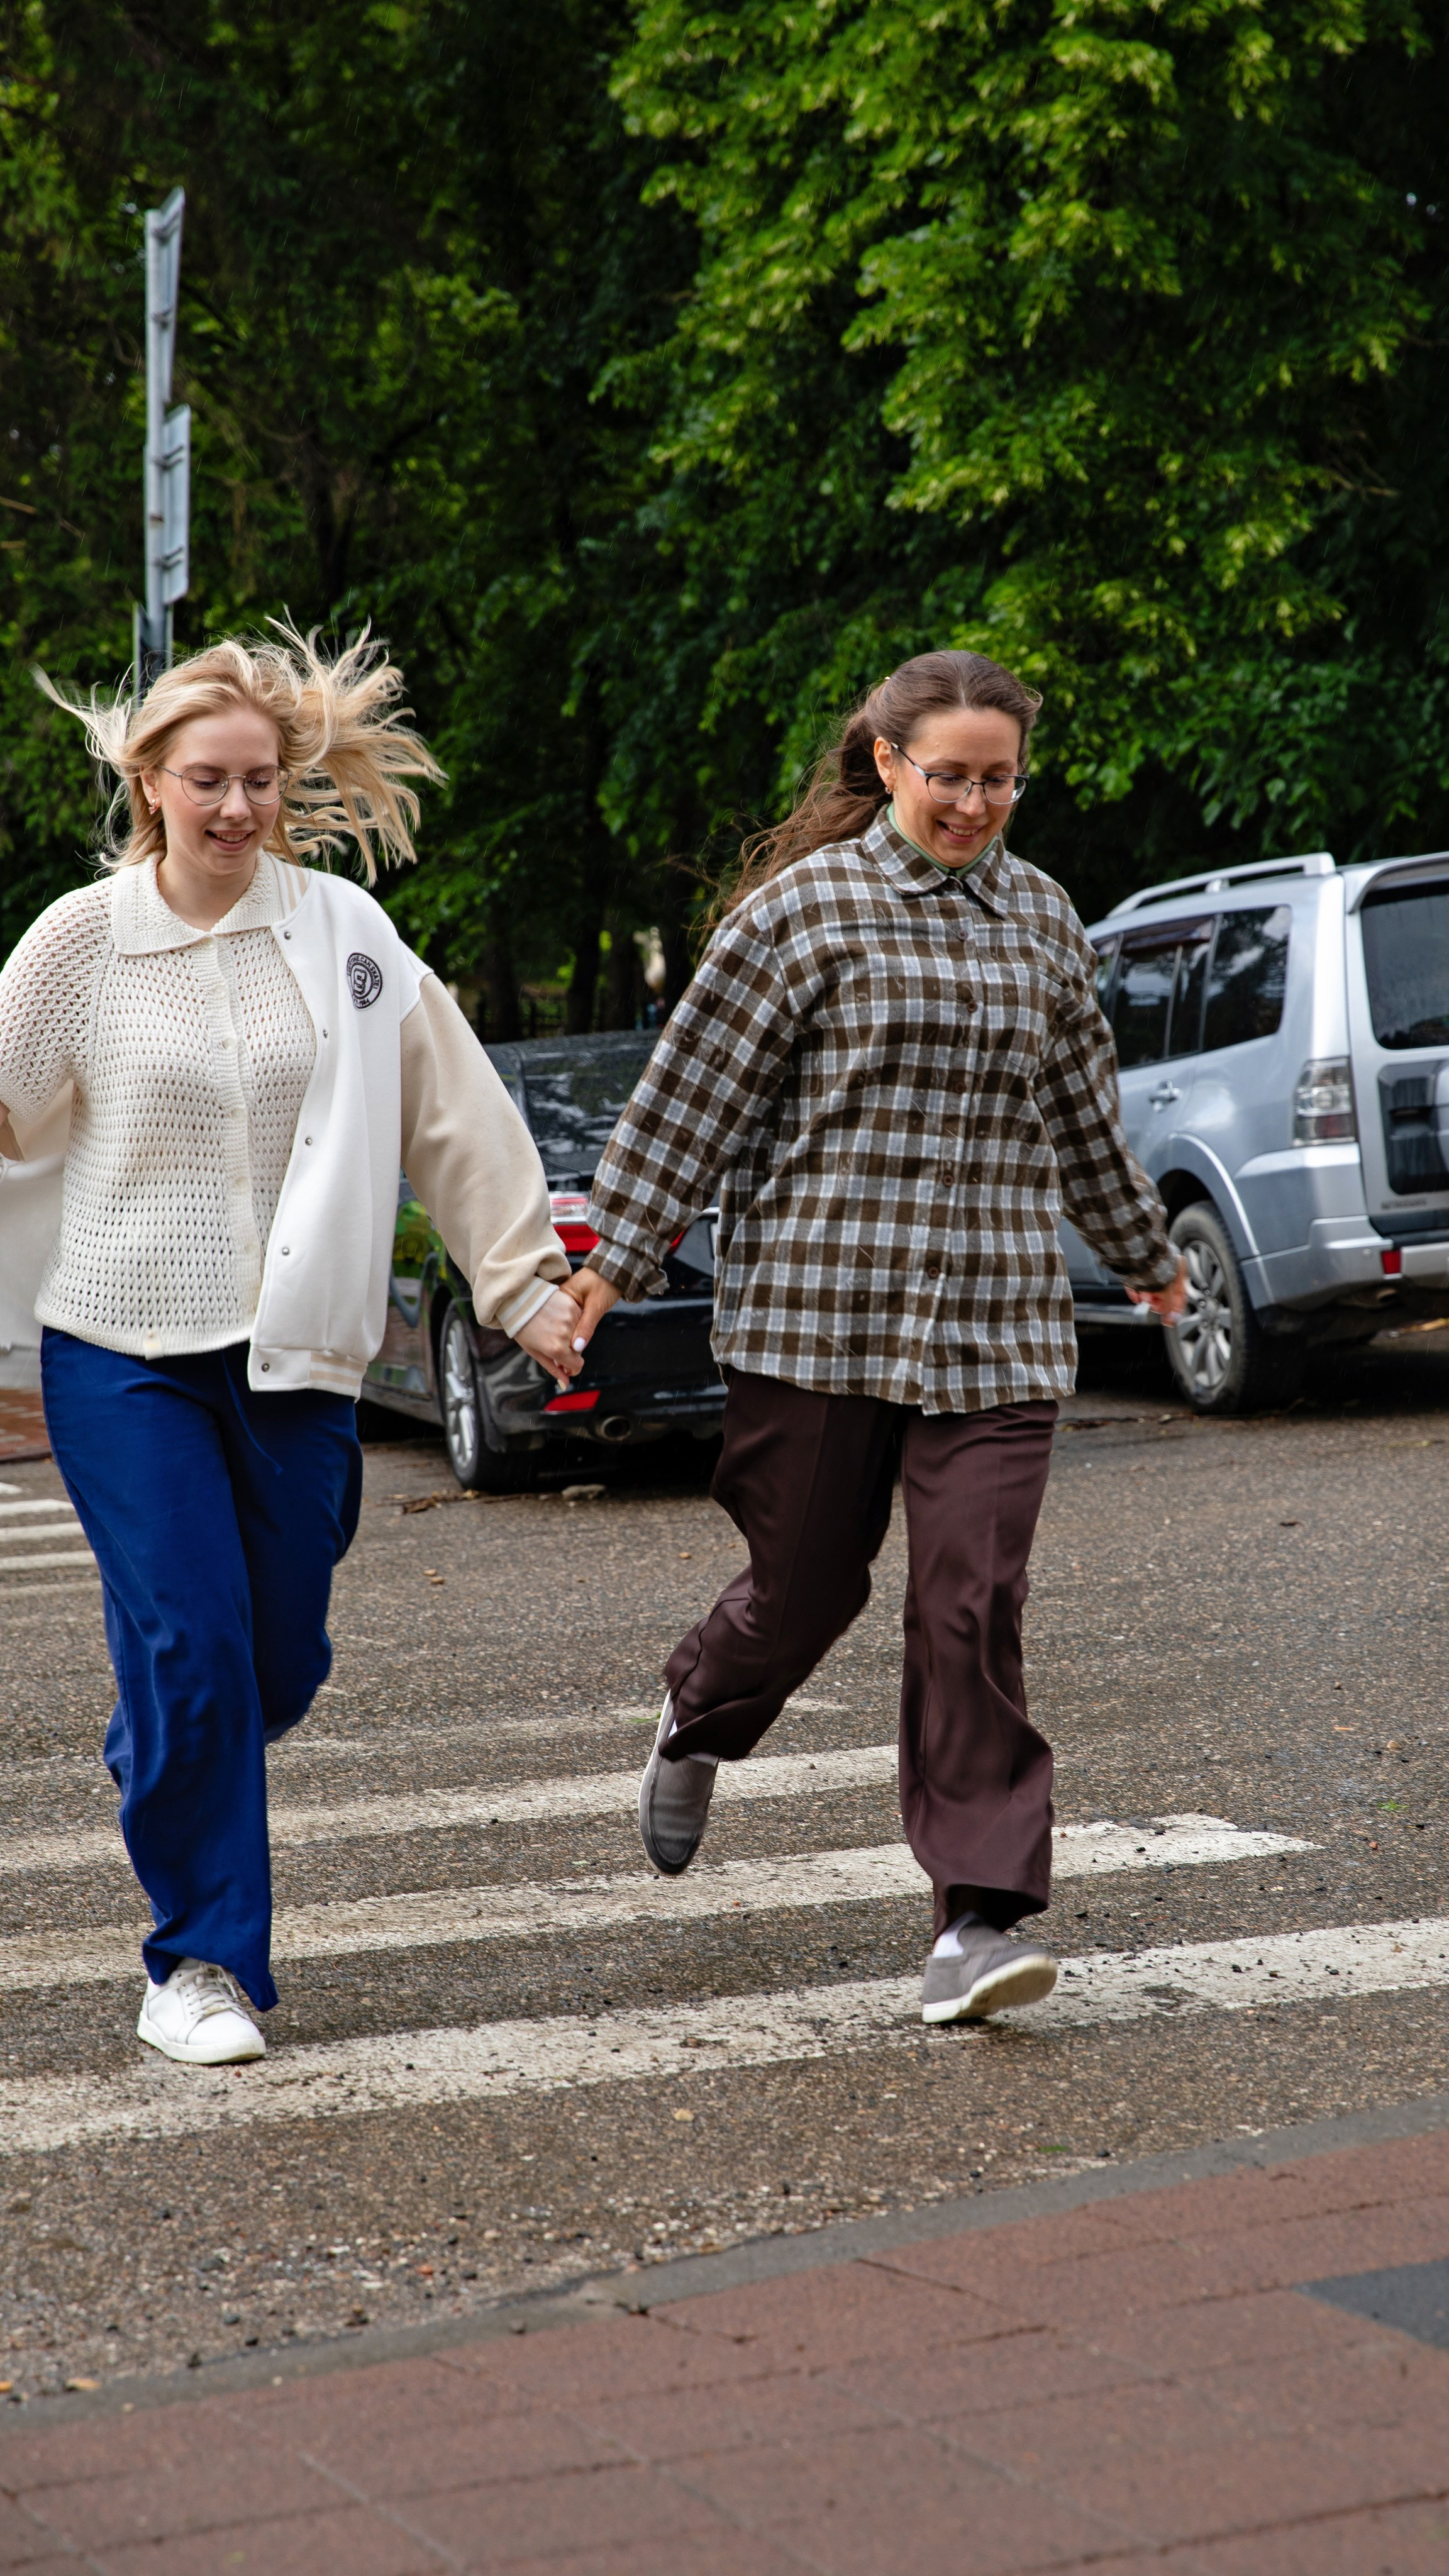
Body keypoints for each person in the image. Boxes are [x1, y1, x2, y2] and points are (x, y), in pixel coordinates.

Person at [562, 649, 1186, 2026]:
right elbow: (688, 1105)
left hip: (996, 1328)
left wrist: (1148, 1258)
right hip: (818, 1318)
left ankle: (978, 1916)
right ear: (890, 761)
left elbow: (1084, 1114)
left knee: (972, 1605)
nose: (974, 803)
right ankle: (701, 1712)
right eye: (950, 775)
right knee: (801, 1591)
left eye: (1000, 780)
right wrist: (610, 1268)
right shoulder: (802, 911)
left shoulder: (1043, 917)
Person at [0, 628, 586, 2065]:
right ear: (149, 781)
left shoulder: (343, 933)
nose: (237, 806)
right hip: (119, 1346)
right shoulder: (76, 941)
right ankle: (197, 1961)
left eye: (260, 780)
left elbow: (449, 1108)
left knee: (277, 1657)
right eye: (207, 779)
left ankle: (164, 1742)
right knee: (196, 1645)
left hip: (297, 1354)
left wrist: (524, 1286)